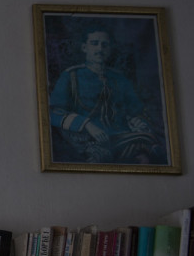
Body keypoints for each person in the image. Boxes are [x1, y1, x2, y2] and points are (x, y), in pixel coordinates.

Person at [49, 25, 162, 164]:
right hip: (88, 139)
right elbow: (53, 112)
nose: (100, 49)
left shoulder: (120, 79)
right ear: (84, 47)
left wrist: (139, 121)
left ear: (110, 49)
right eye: (94, 43)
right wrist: (86, 124)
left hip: (124, 136)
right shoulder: (70, 76)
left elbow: (137, 111)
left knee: (146, 155)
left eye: (105, 45)